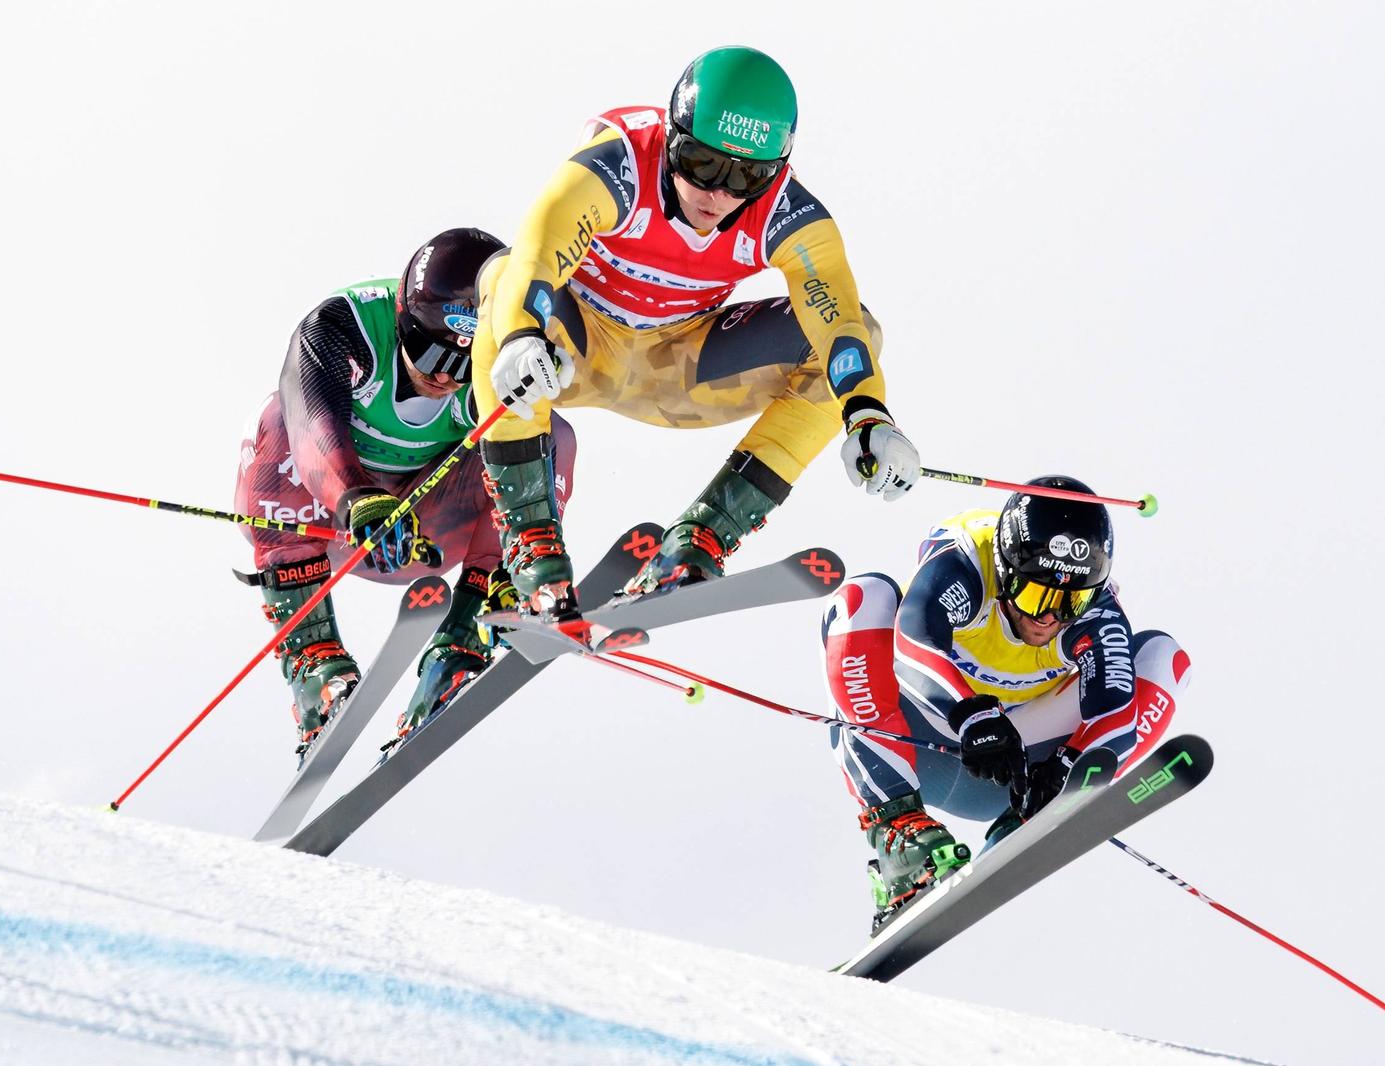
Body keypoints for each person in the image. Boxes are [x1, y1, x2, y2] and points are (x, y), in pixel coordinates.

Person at [468, 45, 922, 617]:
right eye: (703, 164)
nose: (719, 195)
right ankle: (532, 541)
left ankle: (704, 536)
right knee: (502, 277)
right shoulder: (618, 165)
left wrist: (867, 412)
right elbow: (537, 256)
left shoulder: (787, 214)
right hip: (566, 356)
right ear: (672, 135)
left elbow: (840, 324)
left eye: (747, 177)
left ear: (776, 170)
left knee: (862, 339)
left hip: (678, 370)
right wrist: (518, 336)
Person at [232, 227, 579, 755]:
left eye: (465, 362)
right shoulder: (346, 326)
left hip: (425, 531)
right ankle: (313, 662)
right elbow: (309, 422)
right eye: (432, 351)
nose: (446, 376)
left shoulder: (501, 351)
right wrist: (357, 497)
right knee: (276, 419)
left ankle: (484, 608)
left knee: (550, 431)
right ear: (402, 317)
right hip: (337, 524)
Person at [817, 477, 1190, 931]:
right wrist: (973, 714)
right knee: (862, 598)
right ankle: (901, 834)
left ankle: (1030, 819)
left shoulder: (1094, 608)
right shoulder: (969, 560)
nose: (1049, 616)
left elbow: (1114, 711)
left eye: (1070, 601)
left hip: (1013, 771)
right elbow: (915, 640)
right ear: (1008, 568)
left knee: (1163, 660)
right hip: (919, 742)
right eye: (1036, 595)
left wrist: (1071, 766)